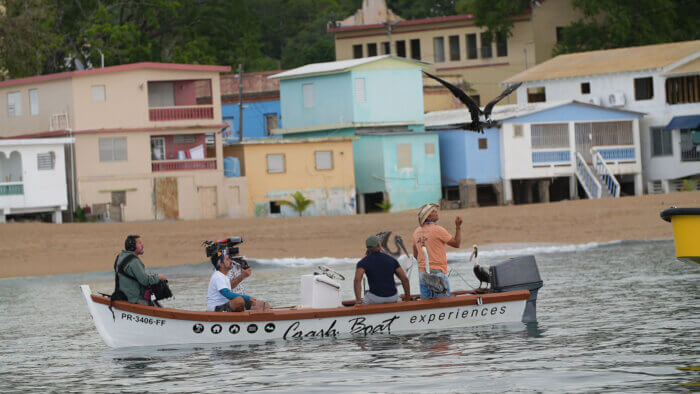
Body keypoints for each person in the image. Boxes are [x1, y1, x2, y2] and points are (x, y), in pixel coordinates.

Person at [412, 204, 462, 299]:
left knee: (426, 306)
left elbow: (416, 255)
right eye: (434, 211)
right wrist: (458, 227)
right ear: (429, 217)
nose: (436, 212)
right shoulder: (438, 230)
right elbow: (456, 244)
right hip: (437, 274)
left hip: (422, 275)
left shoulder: (416, 232)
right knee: (444, 304)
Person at [354, 235, 411, 305]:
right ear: (379, 245)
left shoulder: (363, 262)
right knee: (398, 297)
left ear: (367, 247)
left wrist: (358, 301)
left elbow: (357, 280)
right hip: (393, 297)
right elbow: (404, 279)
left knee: (363, 301)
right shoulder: (391, 260)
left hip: (375, 298)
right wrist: (408, 299)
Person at [115, 234, 165, 305]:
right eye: (140, 243)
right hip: (134, 299)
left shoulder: (120, 256)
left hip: (121, 296)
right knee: (157, 306)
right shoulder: (134, 261)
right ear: (132, 246)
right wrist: (158, 277)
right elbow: (145, 281)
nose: (143, 245)